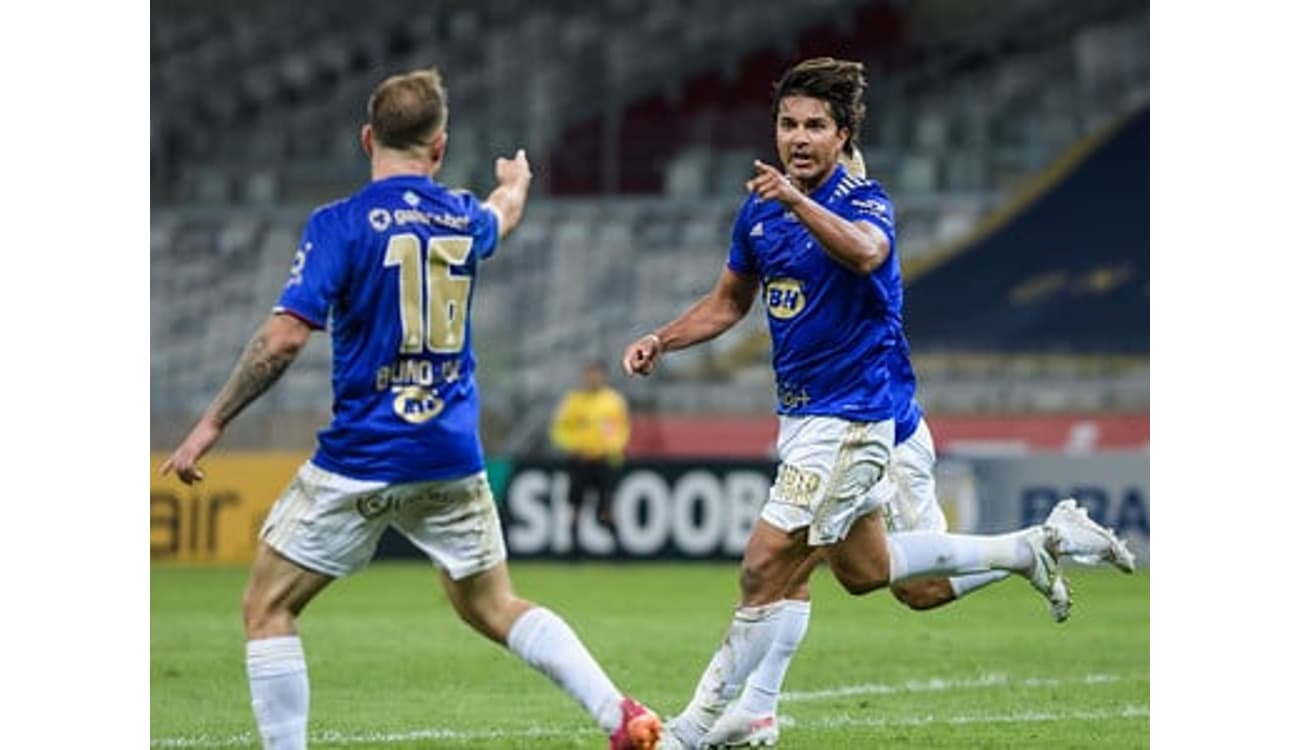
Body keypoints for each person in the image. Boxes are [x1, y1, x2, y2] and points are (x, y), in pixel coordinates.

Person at [621, 58, 1133, 750]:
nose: (798, 138)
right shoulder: (758, 212)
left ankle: (689, 731)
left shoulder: (862, 202)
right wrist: (662, 339)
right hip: (803, 417)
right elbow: (727, 303)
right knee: (866, 575)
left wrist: (798, 201)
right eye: (787, 123)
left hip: (857, 419)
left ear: (842, 135)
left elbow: (866, 254)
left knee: (765, 566)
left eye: (815, 126)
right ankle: (1025, 546)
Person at [161, 66, 661, 750]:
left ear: (368, 138)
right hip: (451, 454)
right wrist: (516, 182)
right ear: (440, 147)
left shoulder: (339, 224)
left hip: (363, 456)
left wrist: (213, 422)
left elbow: (281, 341)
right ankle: (621, 715)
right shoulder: (461, 214)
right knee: (493, 605)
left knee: (268, 607)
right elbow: (502, 216)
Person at [549, 360, 631, 550]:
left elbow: (622, 430)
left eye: (596, 374)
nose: (592, 378)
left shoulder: (613, 401)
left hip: (604, 461)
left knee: (606, 508)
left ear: (603, 376)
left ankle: (620, 549)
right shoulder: (573, 401)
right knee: (575, 504)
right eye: (589, 374)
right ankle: (573, 550)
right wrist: (574, 446)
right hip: (579, 460)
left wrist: (609, 448)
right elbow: (559, 430)